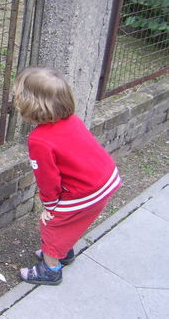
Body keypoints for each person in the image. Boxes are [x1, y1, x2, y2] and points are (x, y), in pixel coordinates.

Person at [12, 66, 122, 285]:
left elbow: (48, 180)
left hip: (86, 191)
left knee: (52, 225)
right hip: (106, 179)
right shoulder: (72, 120)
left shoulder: (39, 140)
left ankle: (51, 269)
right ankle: (63, 251)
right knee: (71, 220)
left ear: (28, 105)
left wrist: (50, 207)